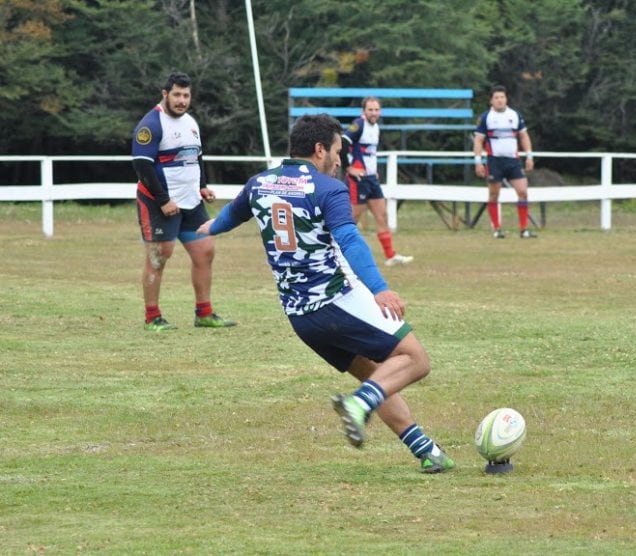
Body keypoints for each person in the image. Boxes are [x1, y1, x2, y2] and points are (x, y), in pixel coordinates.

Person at [197, 114, 454, 473]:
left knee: (377, 375)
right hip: (335, 300)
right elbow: (349, 238)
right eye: (336, 151)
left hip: (301, 318)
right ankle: (357, 406)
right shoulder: (327, 188)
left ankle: (426, 451)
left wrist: (206, 227)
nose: (339, 160)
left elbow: (229, 217)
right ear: (319, 150)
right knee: (415, 360)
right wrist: (380, 289)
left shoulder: (259, 184)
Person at [132, 72, 236, 331]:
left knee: (205, 251)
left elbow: (196, 157)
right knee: (159, 256)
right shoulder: (151, 124)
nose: (181, 100)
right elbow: (142, 166)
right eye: (176, 95)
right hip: (159, 203)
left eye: (186, 95)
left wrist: (201, 186)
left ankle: (204, 313)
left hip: (190, 202)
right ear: (165, 94)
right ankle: (152, 317)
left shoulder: (190, 122)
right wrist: (164, 199)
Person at [341, 97, 414, 266]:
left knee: (382, 216)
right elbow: (343, 143)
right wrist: (348, 168)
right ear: (363, 111)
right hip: (358, 180)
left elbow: (369, 153)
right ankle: (337, 256)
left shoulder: (376, 127)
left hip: (371, 179)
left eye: (376, 110)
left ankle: (390, 256)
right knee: (352, 219)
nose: (374, 113)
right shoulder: (358, 124)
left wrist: (373, 172)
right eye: (370, 110)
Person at [473, 84, 537, 239]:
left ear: (506, 99)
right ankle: (497, 229)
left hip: (513, 160)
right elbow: (478, 140)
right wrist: (478, 161)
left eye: (502, 97)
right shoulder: (486, 117)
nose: (500, 100)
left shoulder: (515, 115)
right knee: (494, 194)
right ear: (491, 101)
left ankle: (524, 230)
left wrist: (529, 156)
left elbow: (523, 136)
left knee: (523, 192)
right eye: (496, 98)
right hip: (495, 161)